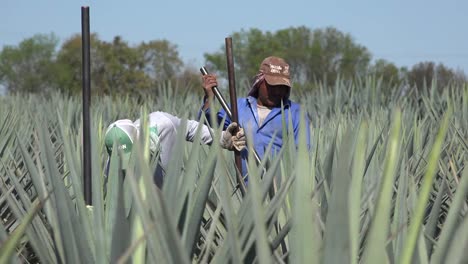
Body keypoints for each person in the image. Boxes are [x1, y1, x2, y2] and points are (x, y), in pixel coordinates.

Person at [199, 56, 311, 177]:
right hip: (242, 188)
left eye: (282, 87)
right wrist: (209, 98)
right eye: (272, 86)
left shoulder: (295, 113)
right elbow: (206, 129)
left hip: (279, 189)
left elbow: (304, 154)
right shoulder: (238, 107)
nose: (277, 92)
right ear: (259, 82)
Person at [104, 111, 246, 187]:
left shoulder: (162, 124)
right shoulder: (112, 165)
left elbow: (190, 128)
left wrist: (222, 139)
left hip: (172, 198)